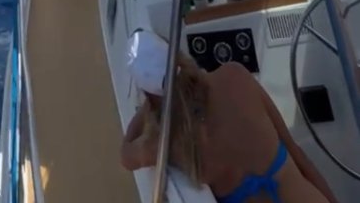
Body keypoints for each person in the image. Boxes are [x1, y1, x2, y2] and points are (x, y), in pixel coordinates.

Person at [120, 29, 337, 203]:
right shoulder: (235, 76)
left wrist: (151, 106)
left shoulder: (165, 142)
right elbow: (297, 154)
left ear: (149, 96)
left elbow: (126, 155)